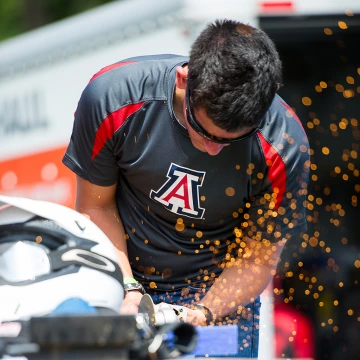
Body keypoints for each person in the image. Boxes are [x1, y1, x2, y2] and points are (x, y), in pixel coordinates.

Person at [63, 19, 310, 357]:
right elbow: (97, 206)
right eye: (205, 131)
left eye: (231, 141)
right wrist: (128, 287)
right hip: (124, 278)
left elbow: (258, 261)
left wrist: (204, 312)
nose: (213, 150)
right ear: (184, 81)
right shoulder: (114, 97)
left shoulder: (285, 146)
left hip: (221, 301)